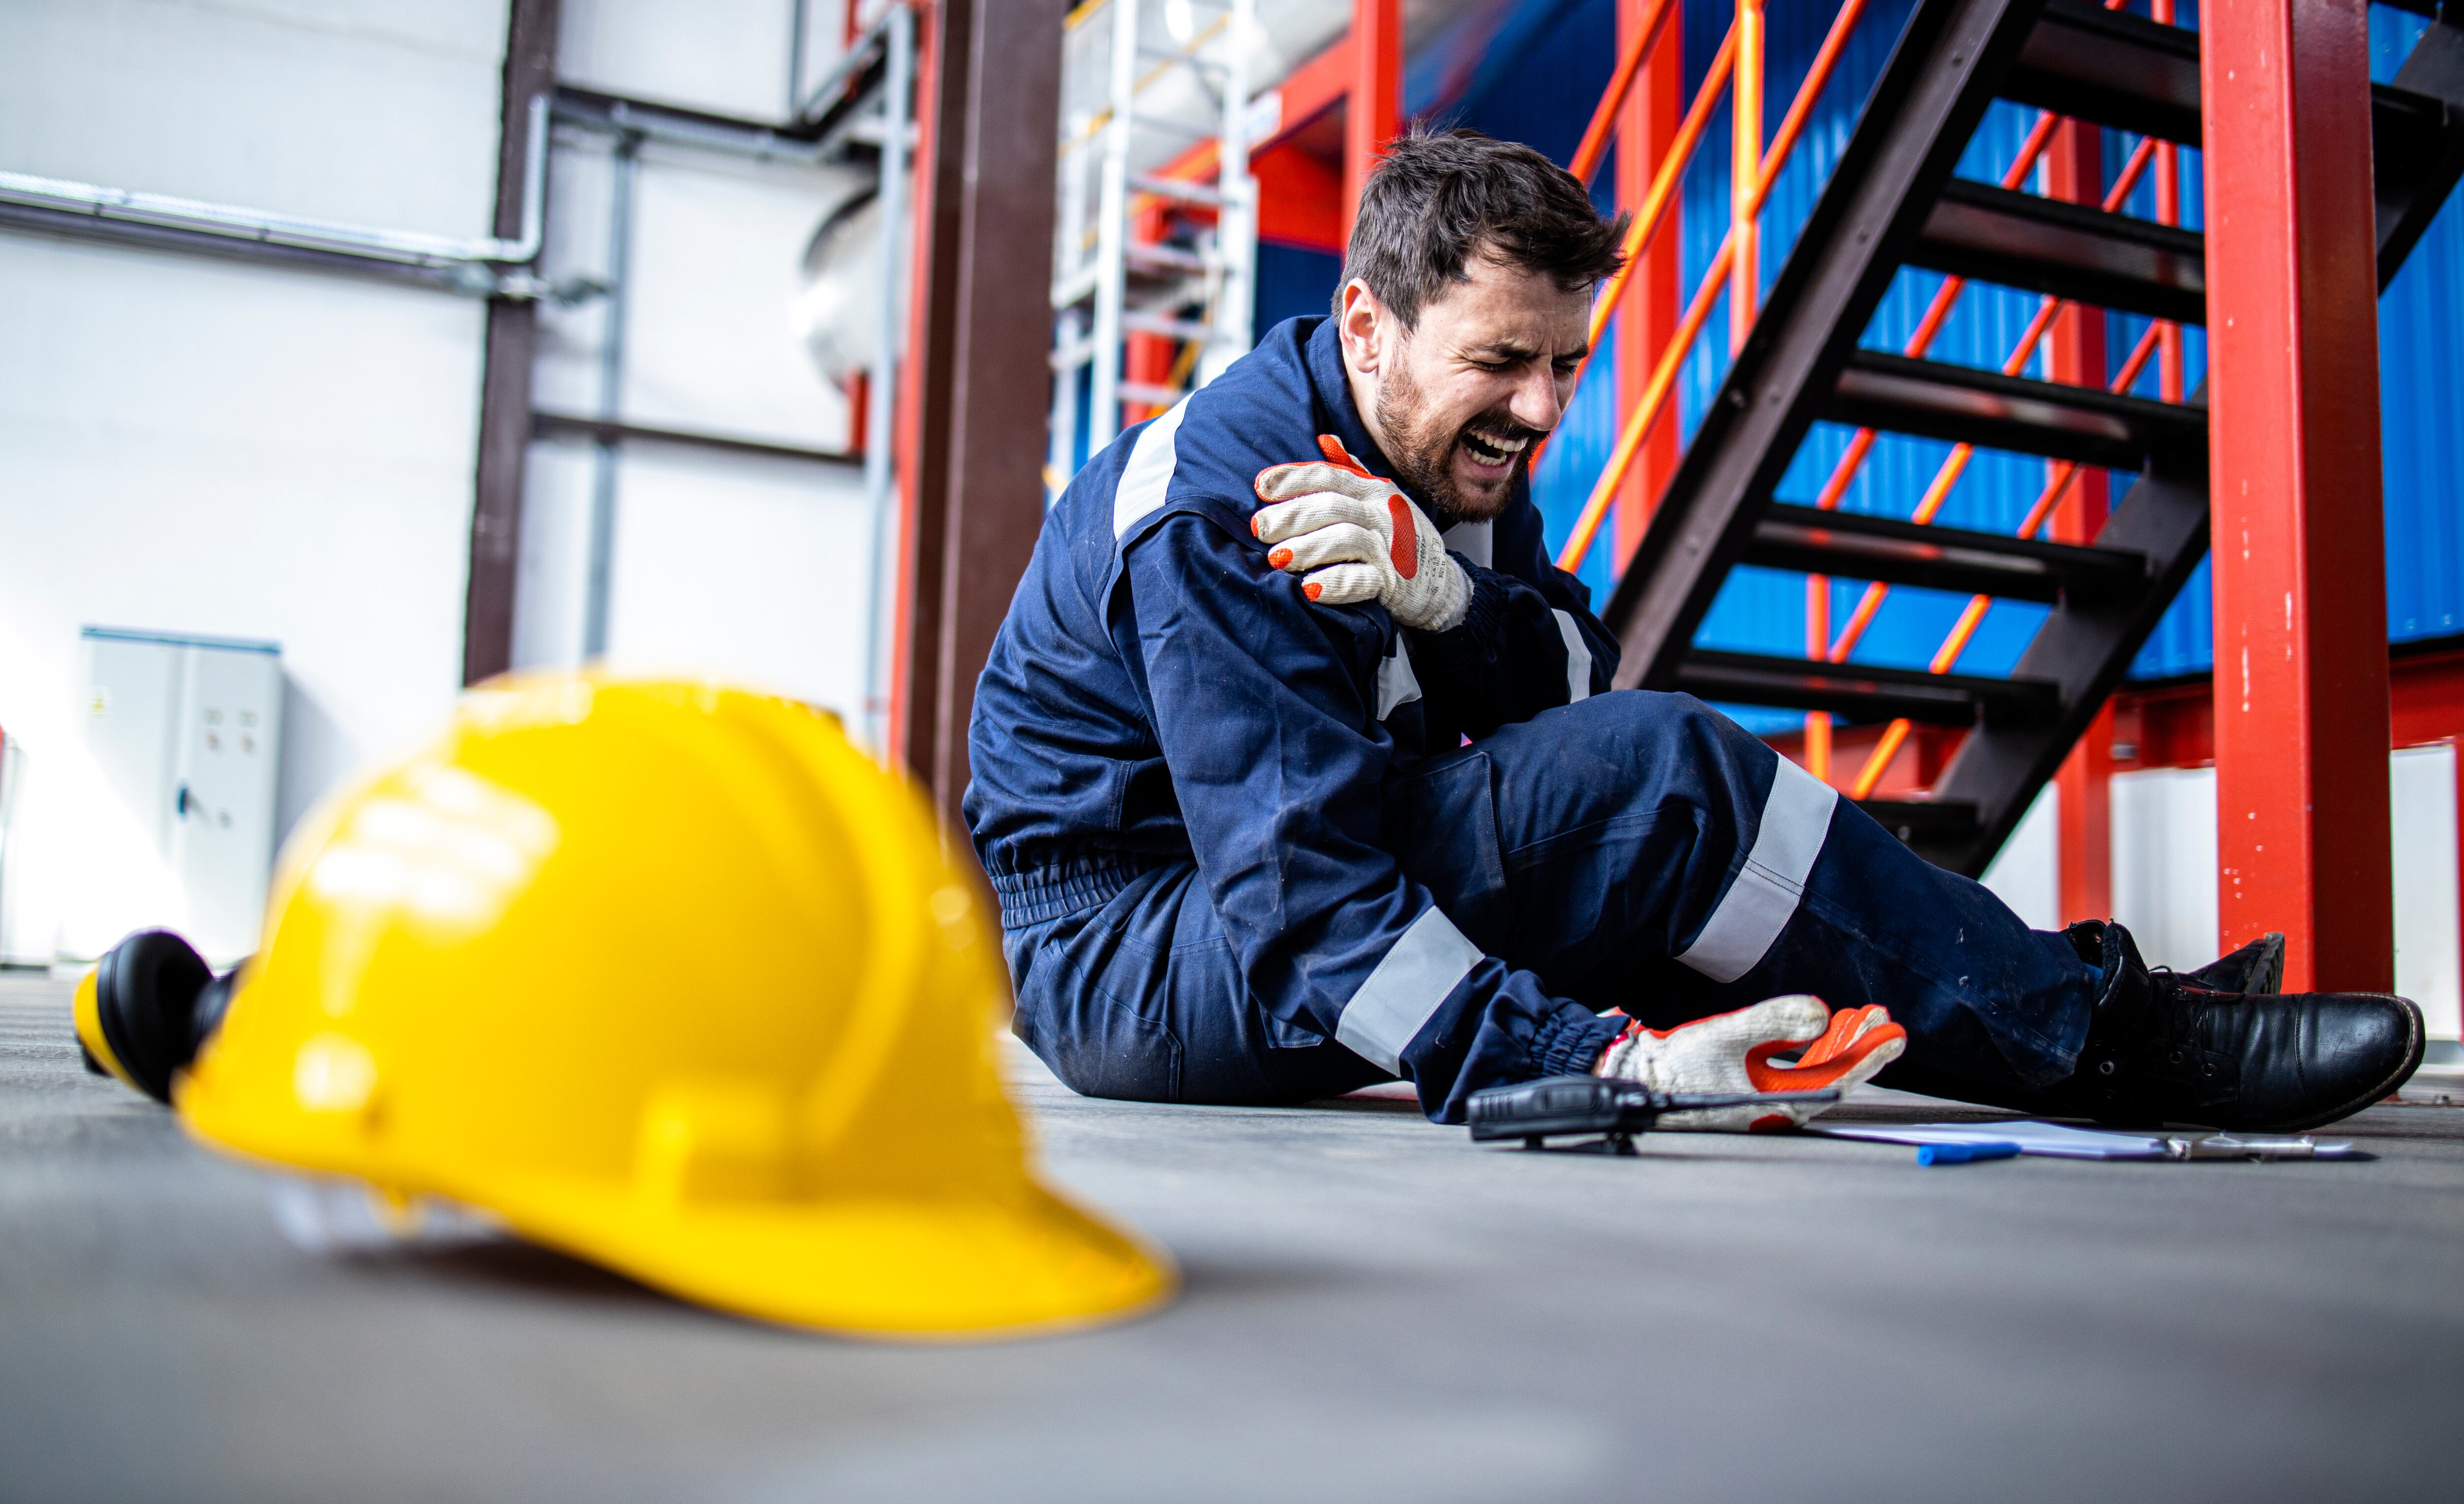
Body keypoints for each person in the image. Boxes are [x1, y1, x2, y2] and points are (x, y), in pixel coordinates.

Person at [965, 128, 2424, 1132]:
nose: (1541, 410)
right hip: (1137, 949)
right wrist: (1601, 1062)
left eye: (1566, 365)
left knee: (1679, 843)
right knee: (1661, 786)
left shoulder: (1440, 453)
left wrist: (1452, 598)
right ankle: (2111, 1041)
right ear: (1365, 326)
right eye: (1501, 363)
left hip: (1265, 897)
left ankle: (2065, 1010)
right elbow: (1303, 907)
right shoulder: (1236, 510)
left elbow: (1577, 674)